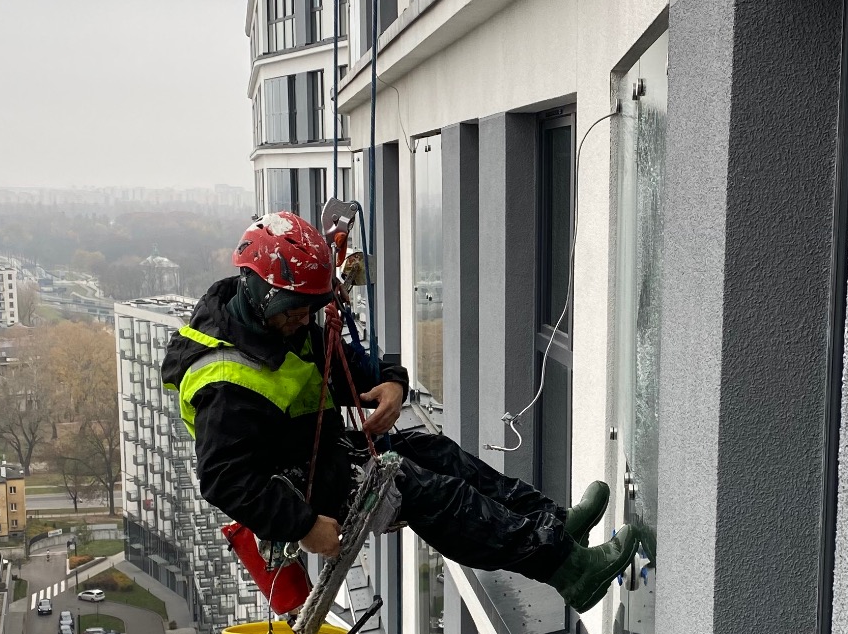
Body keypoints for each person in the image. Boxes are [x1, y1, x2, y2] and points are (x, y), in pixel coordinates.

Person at [161, 213, 641, 612]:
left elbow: (341, 362)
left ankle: (553, 524)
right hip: (299, 491)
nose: (304, 319)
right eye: (295, 310)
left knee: (437, 452)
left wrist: (391, 381)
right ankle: (568, 570)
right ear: (260, 293)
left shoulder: (276, 325)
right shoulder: (223, 382)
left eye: (309, 309)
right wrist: (302, 525)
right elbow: (225, 480)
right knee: (427, 490)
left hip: (322, 456)